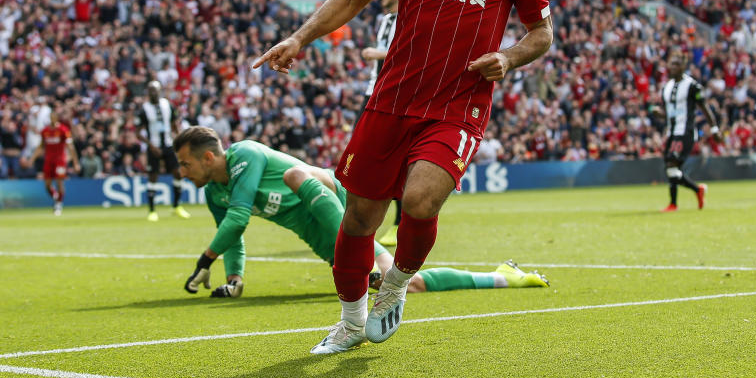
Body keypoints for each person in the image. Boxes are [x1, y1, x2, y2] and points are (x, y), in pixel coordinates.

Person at [254, 0, 553, 354]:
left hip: (457, 106)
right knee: (360, 218)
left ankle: (395, 287)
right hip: (390, 101)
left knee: (418, 201)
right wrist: (300, 37)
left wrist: (507, 57)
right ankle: (349, 322)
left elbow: (542, 34)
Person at [174, 126, 547, 301]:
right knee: (407, 285)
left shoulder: (246, 155)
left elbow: (239, 218)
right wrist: (234, 276)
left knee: (296, 174)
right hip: (326, 240)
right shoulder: (215, 191)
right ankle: (502, 277)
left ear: (208, 156)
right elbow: (232, 231)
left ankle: (358, 260)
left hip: (341, 208)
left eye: (185, 163)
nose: (182, 172)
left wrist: (205, 259)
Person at [653, 51, 721, 213]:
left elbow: (705, 108)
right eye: (672, 63)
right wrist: (659, 113)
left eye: (677, 64)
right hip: (671, 132)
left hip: (686, 132)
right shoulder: (667, 87)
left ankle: (675, 203)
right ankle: (696, 191)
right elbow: (669, 113)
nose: (673, 67)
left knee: (671, 164)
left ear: (684, 66)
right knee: (671, 169)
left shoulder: (692, 86)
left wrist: (714, 129)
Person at [360, 0, 401, 247]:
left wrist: (378, 53)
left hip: (392, 95)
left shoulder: (409, 16)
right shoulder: (385, 20)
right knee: (363, 156)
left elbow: (409, 51)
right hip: (372, 93)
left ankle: (399, 223)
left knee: (393, 160)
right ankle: (359, 218)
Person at [138, 80, 190, 221]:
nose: (153, 92)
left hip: (168, 144)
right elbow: (138, 132)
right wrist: (151, 146)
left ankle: (176, 206)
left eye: (156, 89)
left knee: (178, 173)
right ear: (148, 92)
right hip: (153, 146)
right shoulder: (144, 109)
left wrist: (179, 139)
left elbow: (174, 125)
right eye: (151, 90)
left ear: (160, 90)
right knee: (153, 176)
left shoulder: (167, 105)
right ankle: (152, 211)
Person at [24, 109, 80, 216]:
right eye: (51, 117)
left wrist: (75, 162)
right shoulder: (45, 131)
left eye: (54, 117)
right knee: (47, 185)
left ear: (57, 118)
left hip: (60, 161)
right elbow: (40, 146)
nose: (52, 119)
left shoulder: (63, 130)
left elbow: (70, 147)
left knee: (59, 182)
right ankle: (56, 197)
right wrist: (32, 159)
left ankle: (59, 204)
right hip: (48, 160)